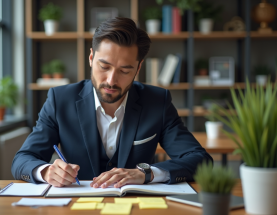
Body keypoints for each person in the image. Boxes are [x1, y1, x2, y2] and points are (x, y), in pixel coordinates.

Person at [12, 17, 212, 188]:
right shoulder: (60, 100)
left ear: (138, 68)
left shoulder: (157, 102)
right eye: (104, 66)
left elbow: (200, 160)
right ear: (91, 57)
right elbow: (22, 160)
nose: (111, 80)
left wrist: (147, 173)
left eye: (124, 71)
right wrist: (46, 171)